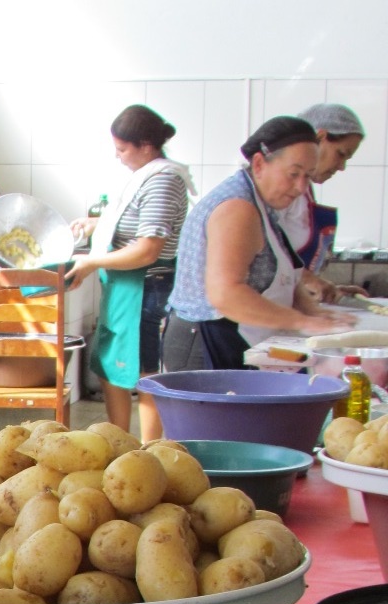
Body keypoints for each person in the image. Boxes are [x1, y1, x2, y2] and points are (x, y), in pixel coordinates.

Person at [163, 116, 354, 372]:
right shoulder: (237, 208)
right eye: (293, 174)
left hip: (229, 336)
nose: (300, 187)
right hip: (205, 341)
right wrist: (303, 322)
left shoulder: (261, 203)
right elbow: (227, 295)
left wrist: (310, 310)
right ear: (260, 163)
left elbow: (286, 275)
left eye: (307, 177)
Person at [65, 105, 193, 442]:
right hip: (124, 288)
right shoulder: (145, 175)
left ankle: (149, 452)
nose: (118, 156)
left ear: (146, 145)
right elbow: (138, 224)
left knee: (144, 375)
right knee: (113, 370)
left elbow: (149, 248)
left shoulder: (164, 179)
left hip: (145, 288)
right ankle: (119, 445)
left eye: (122, 149)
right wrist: (98, 224)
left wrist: (92, 262)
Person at [281, 103, 368, 301]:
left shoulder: (305, 191)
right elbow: (262, 254)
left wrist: (326, 289)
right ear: (319, 138)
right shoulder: (278, 189)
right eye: (341, 153)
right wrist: (309, 280)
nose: (342, 166)